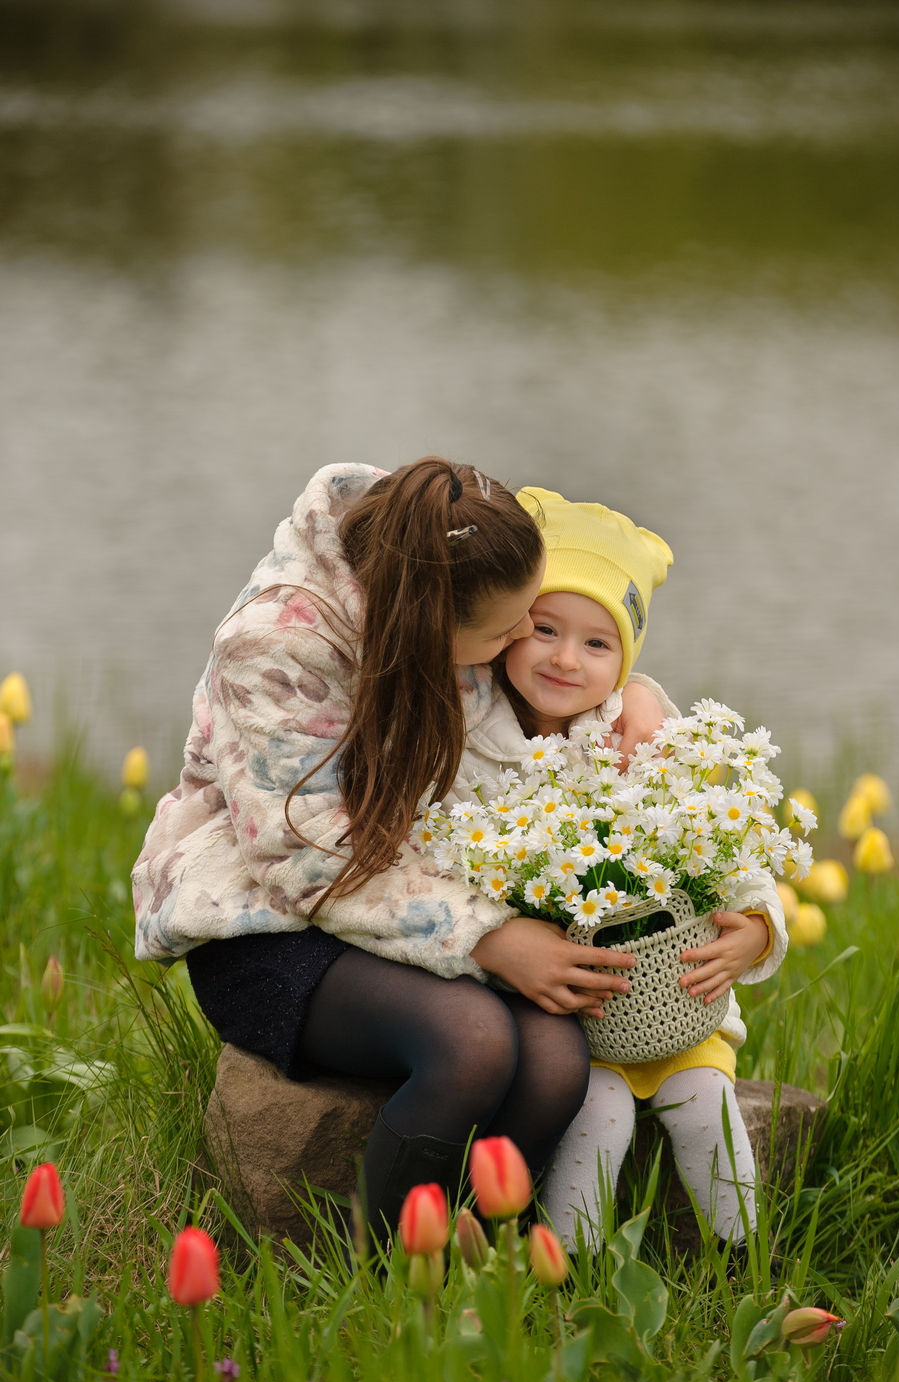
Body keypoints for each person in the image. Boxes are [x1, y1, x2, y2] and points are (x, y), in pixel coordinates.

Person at [131, 457, 665, 1240]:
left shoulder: (454, 551)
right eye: (505, 629)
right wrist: (489, 938)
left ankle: (485, 1267)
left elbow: (565, 672)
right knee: (472, 1044)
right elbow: (304, 862)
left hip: (422, 896)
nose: (524, 638)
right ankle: (389, 1282)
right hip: (270, 921)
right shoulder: (275, 652)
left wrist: (641, 693)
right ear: (428, 625)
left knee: (555, 1058)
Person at [439, 487, 787, 1258]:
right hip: (581, 1024)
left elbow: (728, 852)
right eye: (547, 630)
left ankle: (747, 1263)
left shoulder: (641, 740)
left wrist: (756, 931)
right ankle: (573, 1266)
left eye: (600, 646)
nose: (567, 659)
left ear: (627, 659)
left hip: (681, 1009)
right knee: (596, 1117)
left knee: (704, 1107)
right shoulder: (473, 738)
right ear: (506, 631)